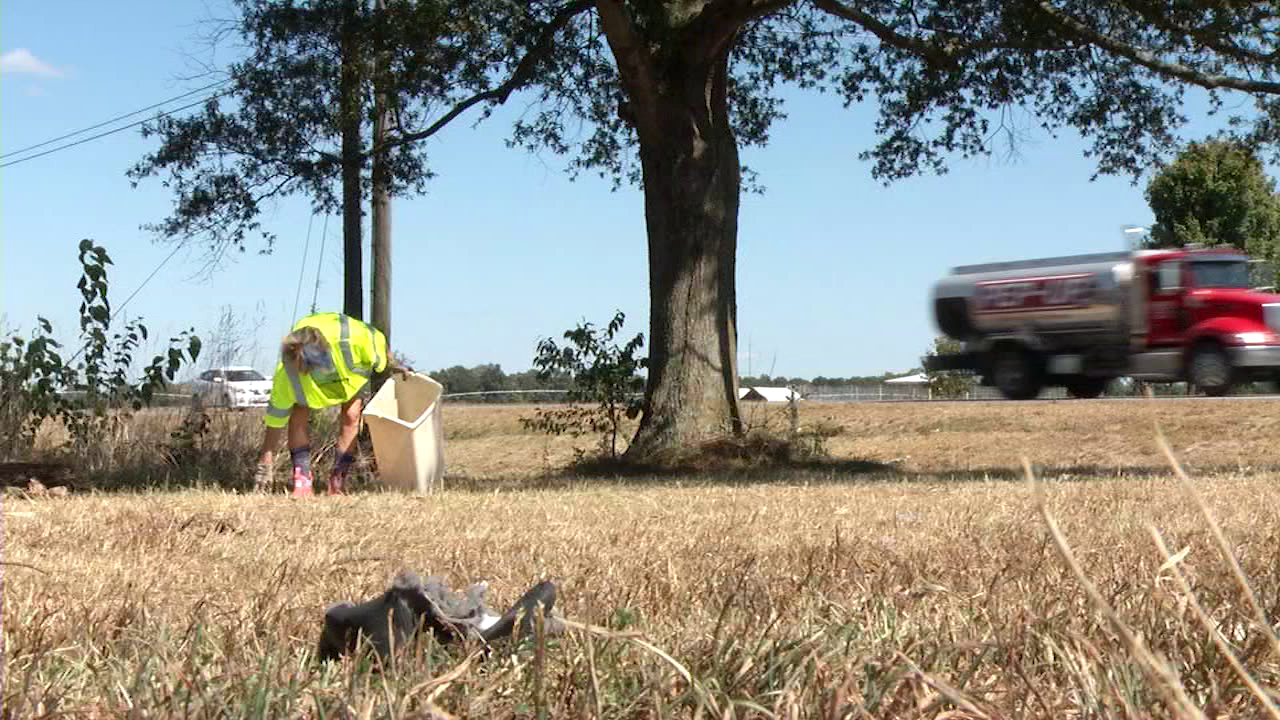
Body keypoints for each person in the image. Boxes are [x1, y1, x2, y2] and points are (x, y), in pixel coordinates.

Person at [253, 312, 394, 497]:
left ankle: (338, 482)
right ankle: (302, 480)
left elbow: (383, 350)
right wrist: (266, 460)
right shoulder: (288, 371)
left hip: (350, 378)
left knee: (351, 416)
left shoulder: (357, 339)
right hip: (315, 378)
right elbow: (277, 417)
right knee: (298, 412)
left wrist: (394, 363)